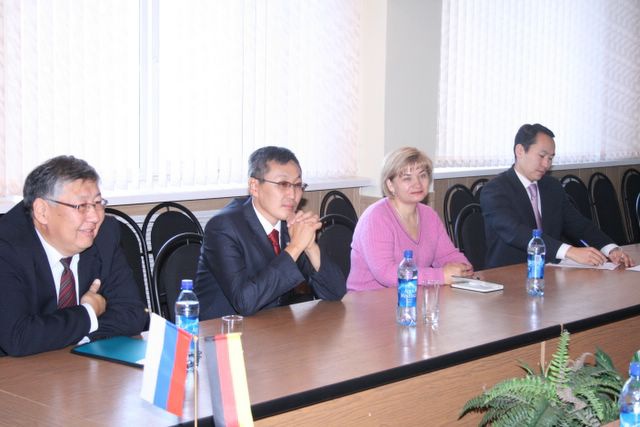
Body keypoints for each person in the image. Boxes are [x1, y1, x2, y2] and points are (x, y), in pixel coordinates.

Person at [0, 156, 147, 357]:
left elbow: (133, 315)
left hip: (76, 366)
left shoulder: (105, 234)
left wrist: (74, 333)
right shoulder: (6, 247)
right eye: (81, 206)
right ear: (42, 212)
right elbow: (19, 337)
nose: (95, 217)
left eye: (97, 203)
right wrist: (88, 313)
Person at [196, 146, 346, 320]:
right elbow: (244, 302)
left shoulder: (290, 225)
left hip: (273, 326)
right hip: (223, 331)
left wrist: (310, 246)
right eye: (283, 184)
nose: (292, 194)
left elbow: (336, 292)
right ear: (254, 186)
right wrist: (296, 247)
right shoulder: (223, 227)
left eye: (297, 185)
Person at [480, 123, 635, 269]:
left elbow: (578, 224)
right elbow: (515, 232)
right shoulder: (495, 190)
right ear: (520, 151)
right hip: (510, 273)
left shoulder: (552, 186)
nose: (546, 165)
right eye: (542, 156)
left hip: (551, 272)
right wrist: (569, 251)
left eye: (550, 158)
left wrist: (610, 249)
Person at [347, 147, 473, 291]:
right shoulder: (376, 217)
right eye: (407, 178)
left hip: (411, 296)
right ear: (390, 184)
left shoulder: (429, 215)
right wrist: (440, 276)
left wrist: (463, 269)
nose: (417, 184)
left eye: (422, 175)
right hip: (369, 299)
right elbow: (386, 273)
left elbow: (447, 255)